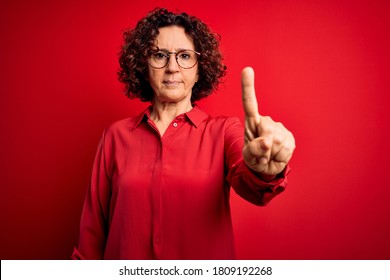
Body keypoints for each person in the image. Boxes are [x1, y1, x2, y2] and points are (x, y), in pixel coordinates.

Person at [72, 7, 295, 260]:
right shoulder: (115, 136)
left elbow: (253, 187)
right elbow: (92, 234)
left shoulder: (223, 131)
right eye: (159, 55)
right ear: (143, 65)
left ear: (200, 68)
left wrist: (265, 170)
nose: (172, 67)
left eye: (185, 56)